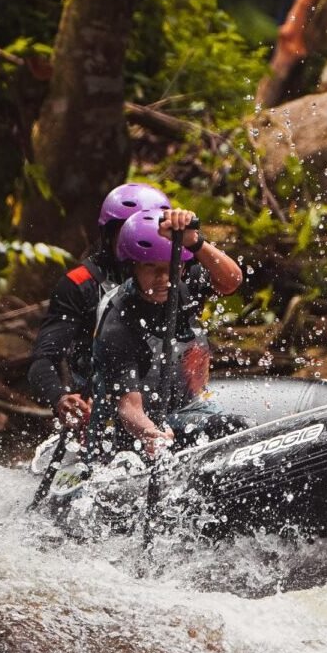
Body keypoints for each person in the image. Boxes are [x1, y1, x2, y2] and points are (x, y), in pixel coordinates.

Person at [91, 207, 246, 459]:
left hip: (190, 407)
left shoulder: (186, 280)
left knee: (235, 428)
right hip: (137, 431)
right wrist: (151, 433)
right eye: (151, 267)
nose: (164, 279)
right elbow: (129, 407)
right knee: (228, 427)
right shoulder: (118, 323)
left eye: (169, 268)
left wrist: (195, 242)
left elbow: (232, 281)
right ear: (133, 267)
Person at [28, 183, 172, 429]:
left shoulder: (177, 272)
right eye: (128, 233)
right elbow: (43, 360)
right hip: (107, 405)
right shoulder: (79, 285)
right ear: (109, 236)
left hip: (168, 395)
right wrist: (62, 398)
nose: (140, 242)